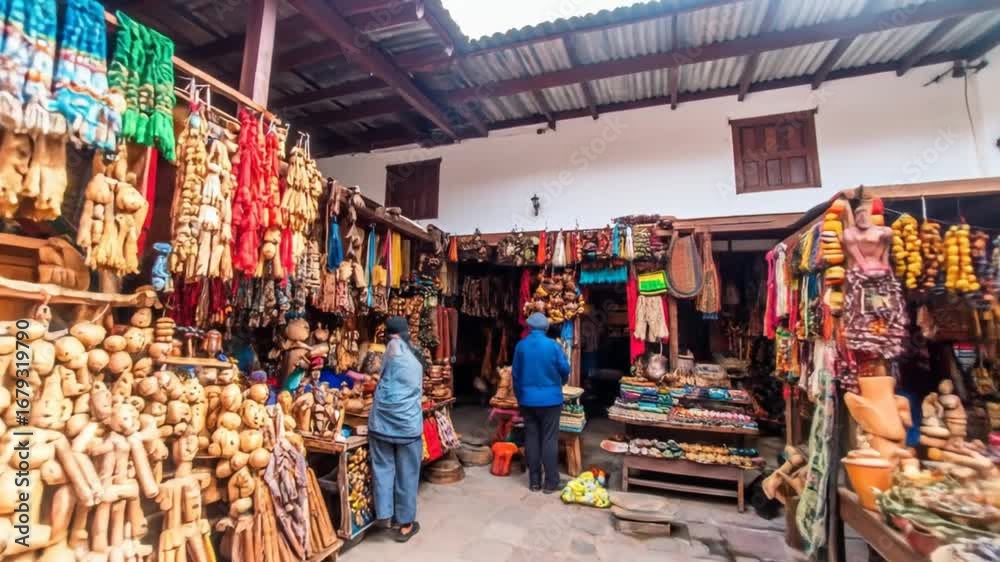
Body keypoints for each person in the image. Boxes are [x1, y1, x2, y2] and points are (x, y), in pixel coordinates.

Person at [368, 316, 423, 542]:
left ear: (389, 334)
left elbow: (379, 377)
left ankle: (385, 516)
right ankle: (405, 525)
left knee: (383, 470)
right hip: (407, 427)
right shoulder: (412, 354)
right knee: (407, 474)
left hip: (381, 425)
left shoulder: (389, 351)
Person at [513, 312, 571, 493]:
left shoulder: (521, 346)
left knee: (531, 438)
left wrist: (520, 397)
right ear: (546, 328)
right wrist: (561, 382)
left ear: (529, 327)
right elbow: (565, 369)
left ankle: (534, 482)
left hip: (527, 401)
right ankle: (551, 482)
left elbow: (515, 375)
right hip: (551, 400)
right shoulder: (553, 346)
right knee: (549, 439)